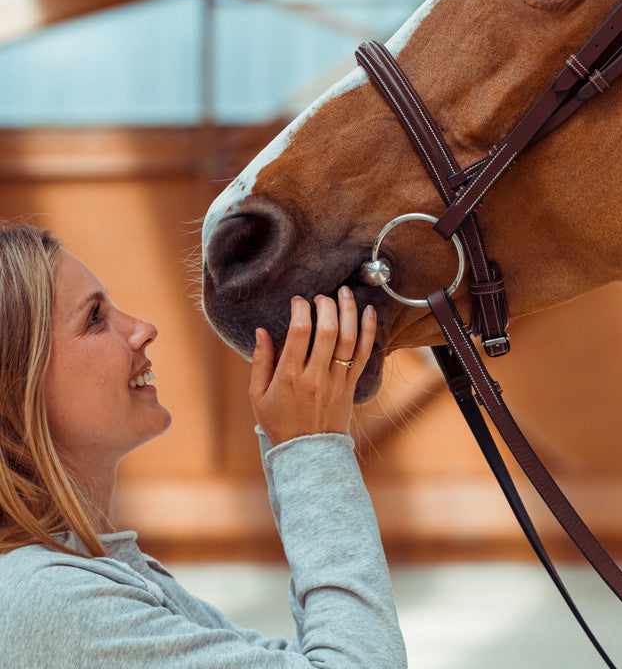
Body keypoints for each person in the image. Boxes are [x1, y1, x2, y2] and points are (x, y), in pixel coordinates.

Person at [0, 222, 407, 668]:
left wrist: (291, 441)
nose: (143, 329)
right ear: (17, 383)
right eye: (95, 318)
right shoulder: (52, 601)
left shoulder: (96, 571)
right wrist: (310, 448)